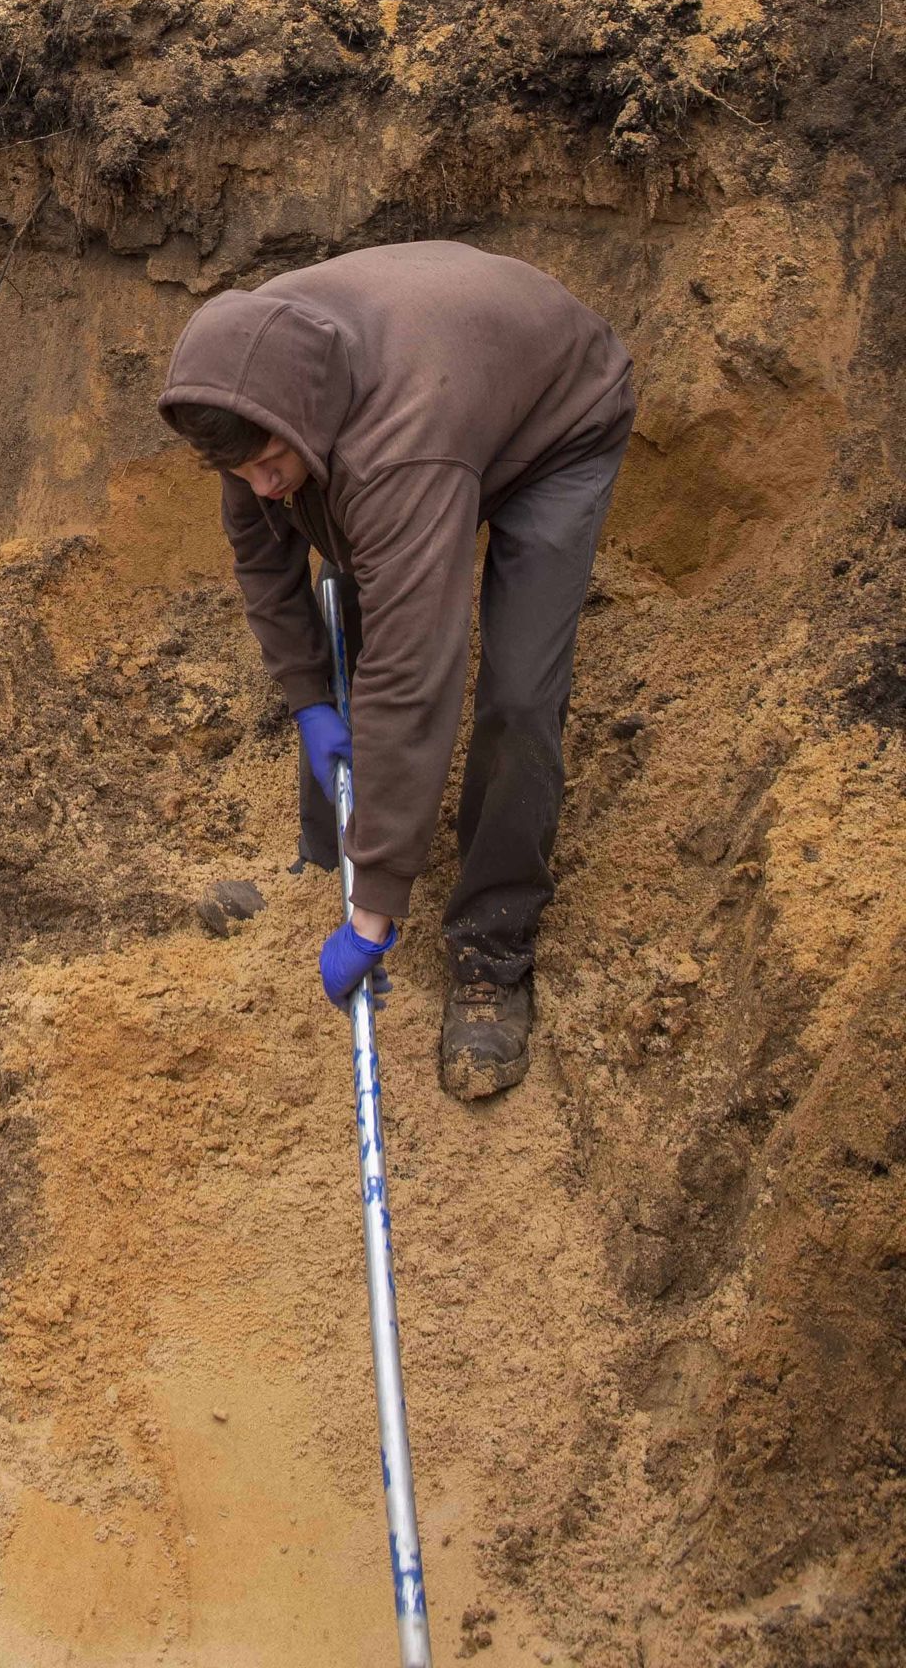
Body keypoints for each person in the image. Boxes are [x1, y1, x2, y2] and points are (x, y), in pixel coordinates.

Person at [159, 241, 634, 1101]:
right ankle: (323, 866)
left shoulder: (398, 450)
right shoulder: (250, 390)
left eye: (269, 463)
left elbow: (414, 677)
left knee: (519, 693)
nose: (261, 486)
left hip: (556, 416)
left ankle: (491, 948)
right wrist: (308, 700)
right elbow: (266, 564)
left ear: (299, 418)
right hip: (447, 381)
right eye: (242, 472)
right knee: (354, 606)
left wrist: (377, 914)